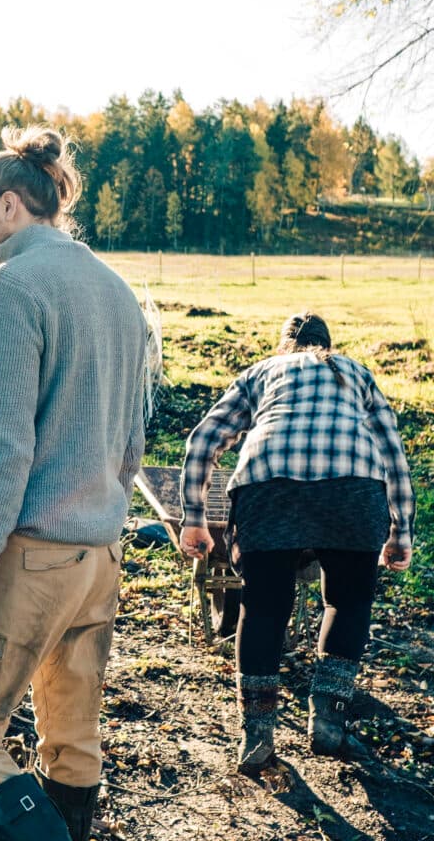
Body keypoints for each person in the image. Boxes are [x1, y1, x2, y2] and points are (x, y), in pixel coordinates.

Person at [0, 125, 147, 841]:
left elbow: (5, 451)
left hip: (37, 554)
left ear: (11, 208)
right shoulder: (118, 289)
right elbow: (132, 444)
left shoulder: (13, 285)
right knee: (73, 736)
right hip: (100, 556)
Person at [179, 311, 415, 774]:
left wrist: (194, 519)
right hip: (353, 491)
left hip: (269, 490)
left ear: (284, 346)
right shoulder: (356, 373)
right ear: (329, 345)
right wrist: (400, 530)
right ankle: (327, 723)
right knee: (347, 603)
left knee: (263, 609)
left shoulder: (262, 372)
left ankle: (257, 736)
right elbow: (392, 451)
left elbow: (204, 439)